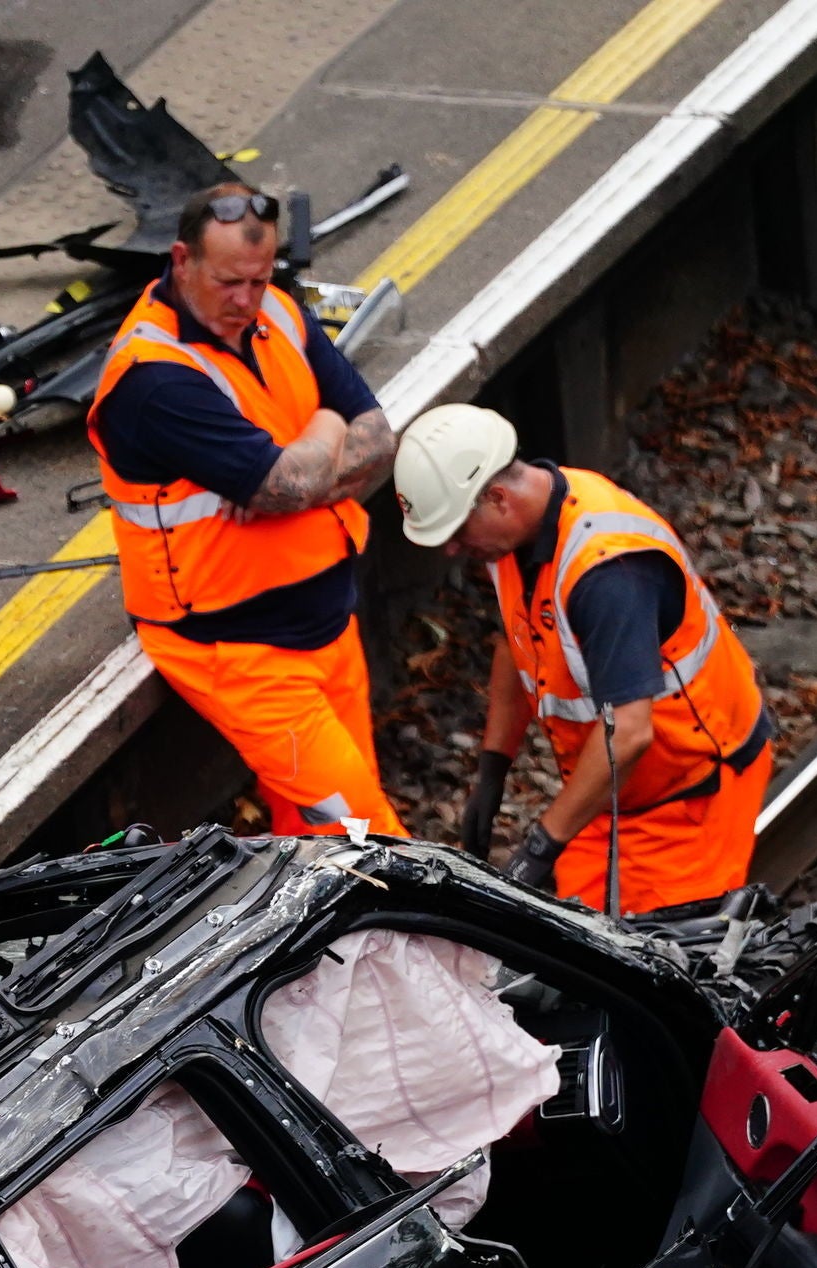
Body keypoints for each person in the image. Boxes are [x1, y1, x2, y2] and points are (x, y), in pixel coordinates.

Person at [87, 181, 404, 838]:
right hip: (245, 658)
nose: (246, 301)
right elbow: (282, 486)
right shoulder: (156, 378)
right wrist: (324, 427)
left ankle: (318, 945)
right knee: (370, 845)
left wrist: (302, 470)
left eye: (259, 281)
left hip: (327, 628)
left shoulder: (279, 314)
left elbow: (379, 437)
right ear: (182, 261)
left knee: (318, 845)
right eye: (230, 282)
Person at [391, 404, 770, 914]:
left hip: (686, 796)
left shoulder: (607, 573)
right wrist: (492, 769)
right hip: (608, 788)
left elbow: (631, 732)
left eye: (456, 532)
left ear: (498, 498)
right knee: (582, 953)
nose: (454, 550)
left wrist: (540, 845)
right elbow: (516, 637)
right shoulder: (518, 533)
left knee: (675, 971)